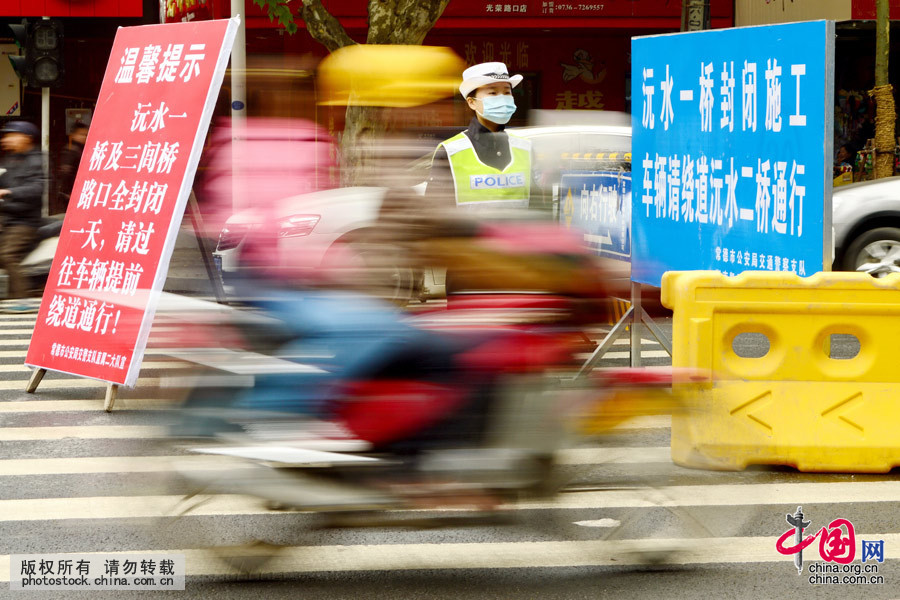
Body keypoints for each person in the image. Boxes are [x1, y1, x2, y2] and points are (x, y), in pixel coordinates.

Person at [426, 61, 531, 211]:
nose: (502, 98)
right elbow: (434, 214)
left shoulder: (525, 148)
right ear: (472, 102)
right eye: (493, 93)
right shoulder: (450, 152)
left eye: (507, 92)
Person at [0, 120, 45, 312]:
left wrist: (8, 192)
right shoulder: (9, 159)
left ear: (26, 138)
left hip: (24, 222)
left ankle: (21, 300)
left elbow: (37, 188)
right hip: (7, 217)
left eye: (11, 135)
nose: (6, 140)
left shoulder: (36, 160)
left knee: (7, 254)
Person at [56, 121, 88, 211]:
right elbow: (65, 172)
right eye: (81, 134)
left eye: (86, 135)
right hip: (71, 193)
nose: (84, 137)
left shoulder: (82, 149)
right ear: (73, 135)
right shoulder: (71, 150)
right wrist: (68, 192)